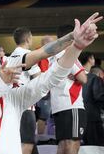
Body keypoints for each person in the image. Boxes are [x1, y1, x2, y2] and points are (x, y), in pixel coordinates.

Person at [0, 13, 101, 154]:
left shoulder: (7, 70)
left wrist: (75, 41)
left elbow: (48, 68)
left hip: (14, 110)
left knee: (27, 145)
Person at [50, 24, 89, 154]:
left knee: (63, 144)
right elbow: (83, 78)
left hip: (58, 106)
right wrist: (76, 75)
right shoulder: (70, 53)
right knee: (73, 143)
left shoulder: (52, 57)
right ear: (72, 37)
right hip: (72, 104)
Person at [10, 27, 41, 154]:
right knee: (26, 144)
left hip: (11, 107)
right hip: (26, 106)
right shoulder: (28, 56)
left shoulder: (9, 57)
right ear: (28, 38)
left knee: (26, 144)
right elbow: (39, 80)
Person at [82, 65, 104, 146]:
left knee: (87, 145)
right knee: (96, 145)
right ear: (100, 74)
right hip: (93, 117)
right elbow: (99, 96)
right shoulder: (96, 78)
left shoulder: (82, 79)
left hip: (82, 117)